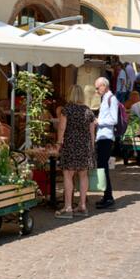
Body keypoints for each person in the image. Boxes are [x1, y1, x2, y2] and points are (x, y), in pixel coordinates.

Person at [54, 84, 96, 218]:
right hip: (84, 147)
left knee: (68, 175)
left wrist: (59, 143)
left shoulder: (67, 110)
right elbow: (92, 133)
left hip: (71, 146)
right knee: (83, 176)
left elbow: (61, 128)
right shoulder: (88, 111)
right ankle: (82, 206)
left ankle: (68, 208)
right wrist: (92, 148)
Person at [93, 77, 118, 209]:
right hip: (102, 137)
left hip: (107, 137)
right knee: (101, 167)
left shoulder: (111, 99)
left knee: (103, 167)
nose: (97, 91)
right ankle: (106, 195)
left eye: (98, 88)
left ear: (104, 86)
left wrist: (99, 122)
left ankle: (108, 197)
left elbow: (114, 120)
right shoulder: (105, 98)